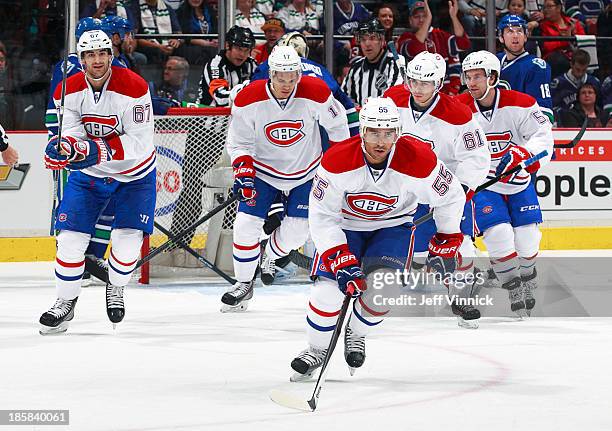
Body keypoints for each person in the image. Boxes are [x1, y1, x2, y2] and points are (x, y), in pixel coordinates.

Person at [289, 97, 467, 379]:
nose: (381, 141)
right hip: (346, 225)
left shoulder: (419, 160)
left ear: (397, 132)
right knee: (327, 292)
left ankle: (356, 332)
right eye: (373, 132)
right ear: (362, 131)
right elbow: (322, 215)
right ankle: (316, 350)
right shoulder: (337, 160)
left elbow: (452, 196)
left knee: (384, 290)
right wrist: (341, 258)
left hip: (393, 227)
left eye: (387, 133)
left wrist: (446, 236)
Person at [40, 30, 156, 334]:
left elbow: (140, 142)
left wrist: (96, 149)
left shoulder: (134, 86)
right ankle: (64, 303)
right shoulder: (69, 88)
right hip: (91, 174)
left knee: (128, 245)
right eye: (90, 55)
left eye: (102, 53)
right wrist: (64, 147)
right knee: (68, 242)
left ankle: (116, 287)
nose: (97, 60)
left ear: (111, 55)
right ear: (81, 59)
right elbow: (72, 131)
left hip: (135, 174)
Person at [222, 45, 350, 312]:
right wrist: (243, 170)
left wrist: (337, 165)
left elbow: (338, 127)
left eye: (292, 78)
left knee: (298, 231)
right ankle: (243, 284)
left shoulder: (316, 92)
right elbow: (239, 141)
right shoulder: (249, 98)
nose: (287, 84)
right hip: (264, 171)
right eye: (281, 77)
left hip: (307, 171)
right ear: (271, 74)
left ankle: (270, 254)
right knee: (246, 223)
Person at [384, 51, 490, 328]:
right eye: (413, 82)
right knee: (419, 255)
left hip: (446, 190)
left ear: (439, 83)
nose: (418, 89)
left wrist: (464, 188)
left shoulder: (458, 114)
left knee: (461, 244)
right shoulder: (392, 100)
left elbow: (477, 156)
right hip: (405, 191)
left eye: (425, 83)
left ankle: (462, 295)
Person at [456, 50, 554, 316]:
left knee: (528, 239)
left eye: (478, 76)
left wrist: (524, 154)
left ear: (494, 77)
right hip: (484, 184)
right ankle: (513, 287)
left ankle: (528, 275)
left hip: (519, 181)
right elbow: (448, 146)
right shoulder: (459, 108)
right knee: (498, 234)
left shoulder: (521, 103)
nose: (472, 82)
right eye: (468, 76)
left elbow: (544, 136)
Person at [45, 17, 128, 284]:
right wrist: (66, 146)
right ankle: (72, 259)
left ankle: (92, 258)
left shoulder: (117, 65)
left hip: (104, 153)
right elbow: (55, 116)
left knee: (109, 205)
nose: (118, 38)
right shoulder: (69, 67)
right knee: (72, 206)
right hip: (77, 151)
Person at [168, 26, 257, 248]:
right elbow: (220, 96)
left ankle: (227, 246)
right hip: (206, 134)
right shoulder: (215, 65)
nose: (242, 53)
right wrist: (244, 92)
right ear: (227, 46)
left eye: (246, 49)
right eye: (238, 48)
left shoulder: (253, 66)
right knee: (192, 187)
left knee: (236, 187)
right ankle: (178, 244)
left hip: (238, 136)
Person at [251, 31, 359, 135]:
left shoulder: (269, 66)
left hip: (284, 123)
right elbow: (346, 105)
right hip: (319, 125)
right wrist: (354, 138)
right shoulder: (320, 68)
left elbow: (253, 92)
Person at [397, 0, 471, 96]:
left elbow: (463, 44)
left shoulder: (440, 35)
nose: (421, 20)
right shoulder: (405, 38)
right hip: (417, 94)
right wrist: (427, 20)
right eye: (417, 17)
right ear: (410, 20)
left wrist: (453, 17)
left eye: (424, 16)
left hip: (445, 94)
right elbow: (416, 48)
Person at [497, 14, 554, 123]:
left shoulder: (536, 66)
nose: (515, 36)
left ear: (525, 36)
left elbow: (544, 112)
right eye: (510, 31)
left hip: (521, 129)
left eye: (519, 31)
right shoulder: (494, 62)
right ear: (501, 37)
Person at [341, 18, 404, 107]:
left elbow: (395, 98)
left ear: (382, 40)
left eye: (372, 38)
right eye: (363, 39)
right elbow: (344, 98)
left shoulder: (397, 62)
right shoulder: (356, 68)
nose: (367, 44)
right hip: (362, 119)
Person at [539, 0, 586, 77]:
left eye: (549, 7)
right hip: (554, 59)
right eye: (544, 7)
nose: (545, 10)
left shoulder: (574, 22)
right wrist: (566, 40)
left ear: (558, 8)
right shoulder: (543, 26)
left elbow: (582, 40)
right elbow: (546, 46)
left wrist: (573, 33)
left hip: (575, 55)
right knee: (559, 60)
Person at [550, 49, 600, 117]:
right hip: (565, 122)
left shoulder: (594, 82)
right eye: (578, 69)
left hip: (589, 121)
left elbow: (599, 107)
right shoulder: (558, 83)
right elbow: (552, 107)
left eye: (584, 70)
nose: (580, 73)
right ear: (571, 64)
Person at [133, 0, 183, 64]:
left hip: (167, 45)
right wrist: (158, 46)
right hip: (148, 45)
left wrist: (176, 40)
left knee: (181, 49)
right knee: (155, 51)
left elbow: (178, 32)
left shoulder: (167, 8)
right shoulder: (135, 7)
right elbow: (135, 37)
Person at [176, 0, 219, 65]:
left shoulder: (209, 10)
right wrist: (205, 43)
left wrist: (215, 40)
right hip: (191, 48)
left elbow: (216, 29)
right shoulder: (181, 12)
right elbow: (184, 37)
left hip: (210, 46)